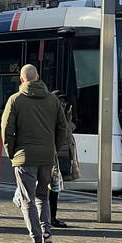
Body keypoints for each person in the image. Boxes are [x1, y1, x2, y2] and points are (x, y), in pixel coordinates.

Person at [1, 64, 68, 243]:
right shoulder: (53, 100)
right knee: (43, 197)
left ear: (22, 80)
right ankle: (47, 239)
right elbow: (62, 128)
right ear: (38, 77)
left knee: (27, 199)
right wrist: (53, 148)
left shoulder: (15, 100)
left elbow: (7, 130)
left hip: (25, 157)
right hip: (47, 157)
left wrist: (12, 153)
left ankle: (36, 242)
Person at [48, 91, 80, 228]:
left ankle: (51, 217)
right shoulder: (50, 115)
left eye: (65, 102)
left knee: (55, 189)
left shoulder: (66, 114)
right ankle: (49, 218)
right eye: (60, 101)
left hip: (63, 155)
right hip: (53, 155)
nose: (63, 104)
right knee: (50, 189)